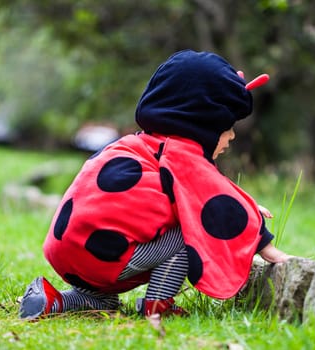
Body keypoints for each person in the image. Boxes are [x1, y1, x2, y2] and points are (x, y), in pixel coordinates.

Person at [19, 50, 291, 320]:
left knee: (102, 299)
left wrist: (243, 204)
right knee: (192, 231)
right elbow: (211, 204)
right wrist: (263, 244)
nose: (231, 137)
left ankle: (53, 300)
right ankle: (158, 305)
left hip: (75, 252)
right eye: (226, 126)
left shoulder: (143, 145)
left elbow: (208, 191)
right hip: (107, 253)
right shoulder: (180, 154)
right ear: (203, 123)